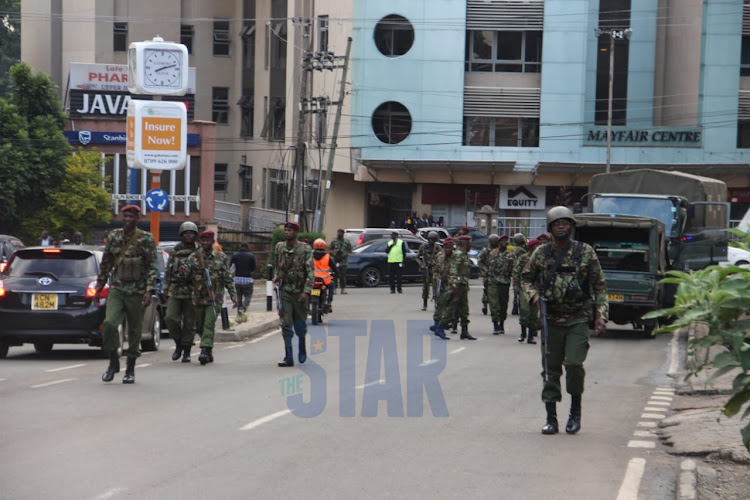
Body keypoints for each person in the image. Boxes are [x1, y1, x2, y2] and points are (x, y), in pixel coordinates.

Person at [521, 206, 608, 435]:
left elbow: (599, 286)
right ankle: (551, 418)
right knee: (550, 371)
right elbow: (526, 280)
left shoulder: (585, 251)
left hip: (578, 319)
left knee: (573, 365)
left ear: (571, 226)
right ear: (550, 228)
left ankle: (574, 414)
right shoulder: (540, 253)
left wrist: (601, 314)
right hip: (551, 319)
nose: (562, 226)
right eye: (557, 223)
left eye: (566, 223)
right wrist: (535, 297)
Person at [93, 205, 158, 384]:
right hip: (118, 288)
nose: (128, 219)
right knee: (109, 324)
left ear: (138, 219)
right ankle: (113, 361)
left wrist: (149, 290)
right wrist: (98, 289)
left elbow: (152, 266)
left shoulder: (146, 238)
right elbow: (106, 263)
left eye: (131, 217)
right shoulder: (114, 236)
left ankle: (130, 368)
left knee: (135, 331)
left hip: (137, 291)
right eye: (125, 216)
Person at [184, 230, 237, 365]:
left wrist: (233, 295)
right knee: (200, 325)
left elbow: (227, 277)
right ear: (200, 242)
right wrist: (184, 272)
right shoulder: (193, 257)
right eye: (203, 241)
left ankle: (205, 351)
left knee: (209, 323)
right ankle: (208, 348)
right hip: (198, 297)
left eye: (208, 241)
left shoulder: (221, 257)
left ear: (213, 242)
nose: (206, 243)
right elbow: (186, 277)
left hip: (215, 298)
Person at [273, 222, 314, 367]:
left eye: (290, 230)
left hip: (300, 292)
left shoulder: (305, 249)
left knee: (300, 325)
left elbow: (310, 272)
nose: (286, 232)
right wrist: (276, 279)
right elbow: (277, 265)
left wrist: (306, 292)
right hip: (285, 291)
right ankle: (288, 356)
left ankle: (302, 346)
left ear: (296, 232)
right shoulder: (279, 247)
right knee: (286, 324)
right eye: (285, 230)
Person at [164, 221, 200, 363]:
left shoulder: (199, 250)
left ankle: (186, 350)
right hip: (176, 289)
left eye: (191, 233)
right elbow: (168, 270)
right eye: (186, 233)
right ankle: (178, 343)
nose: (189, 235)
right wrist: (165, 288)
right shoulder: (176, 250)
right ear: (181, 234)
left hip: (192, 290)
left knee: (190, 323)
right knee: (170, 318)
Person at [512, 234, 538, 344]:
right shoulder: (523, 258)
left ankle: (531, 336)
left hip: (536, 288)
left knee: (533, 313)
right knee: (525, 311)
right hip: (524, 287)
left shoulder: (540, 258)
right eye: (536, 246)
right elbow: (516, 272)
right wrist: (516, 287)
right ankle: (523, 333)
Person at [486, 234, 513, 335]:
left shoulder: (510, 254)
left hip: (504, 282)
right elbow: (487, 265)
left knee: (503, 304)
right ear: (498, 243)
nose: (504, 243)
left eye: (506, 241)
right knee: (494, 304)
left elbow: (514, 268)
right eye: (502, 241)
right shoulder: (493, 253)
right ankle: (495, 325)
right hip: (493, 281)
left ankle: (501, 323)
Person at [455, 235, 477, 340]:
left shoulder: (464, 254)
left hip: (463, 284)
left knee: (464, 308)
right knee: (453, 307)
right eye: (469, 243)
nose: (470, 245)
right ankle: (440, 327)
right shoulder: (459, 254)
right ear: (464, 243)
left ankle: (464, 331)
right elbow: (456, 269)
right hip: (458, 284)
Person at [417, 231, 441, 311]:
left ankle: (436, 304)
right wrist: (421, 265)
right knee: (425, 288)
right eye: (430, 239)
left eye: (433, 239)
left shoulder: (438, 248)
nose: (431, 241)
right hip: (426, 270)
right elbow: (417, 257)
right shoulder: (423, 247)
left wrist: (437, 264)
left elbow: (441, 258)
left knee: (435, 288)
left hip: (434, 270)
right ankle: (425, 304)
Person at [312, 238, 338, 311]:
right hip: (325, 280)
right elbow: (334, 268)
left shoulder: (310, 256)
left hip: (313, 279)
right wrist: (337, 274)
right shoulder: (327, 257)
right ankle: (329, 303)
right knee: (332, 285)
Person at [231, 242, 256, 313]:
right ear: (247, 247)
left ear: (240, 247)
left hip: (237, 280)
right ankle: (243, 308)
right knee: (248, 295)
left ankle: (239, 312)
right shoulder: (251, 256)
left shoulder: (235, 255)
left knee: (239, 296)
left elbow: (232, 268)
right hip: (247, 279)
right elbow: (253, 268)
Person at [328, 229, 352, 295]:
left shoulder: (346, 242)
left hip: (343, 261)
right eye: (338, 232)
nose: (339, 234)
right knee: (334, 275)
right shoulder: (334, 241)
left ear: (343, 234)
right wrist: (333, 253)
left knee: (343, 275)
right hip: (335, 260)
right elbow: (329, 249)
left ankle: (343, 289)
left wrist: (345, 254)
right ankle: (334, 289)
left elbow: (350, 250)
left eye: (340, 233)